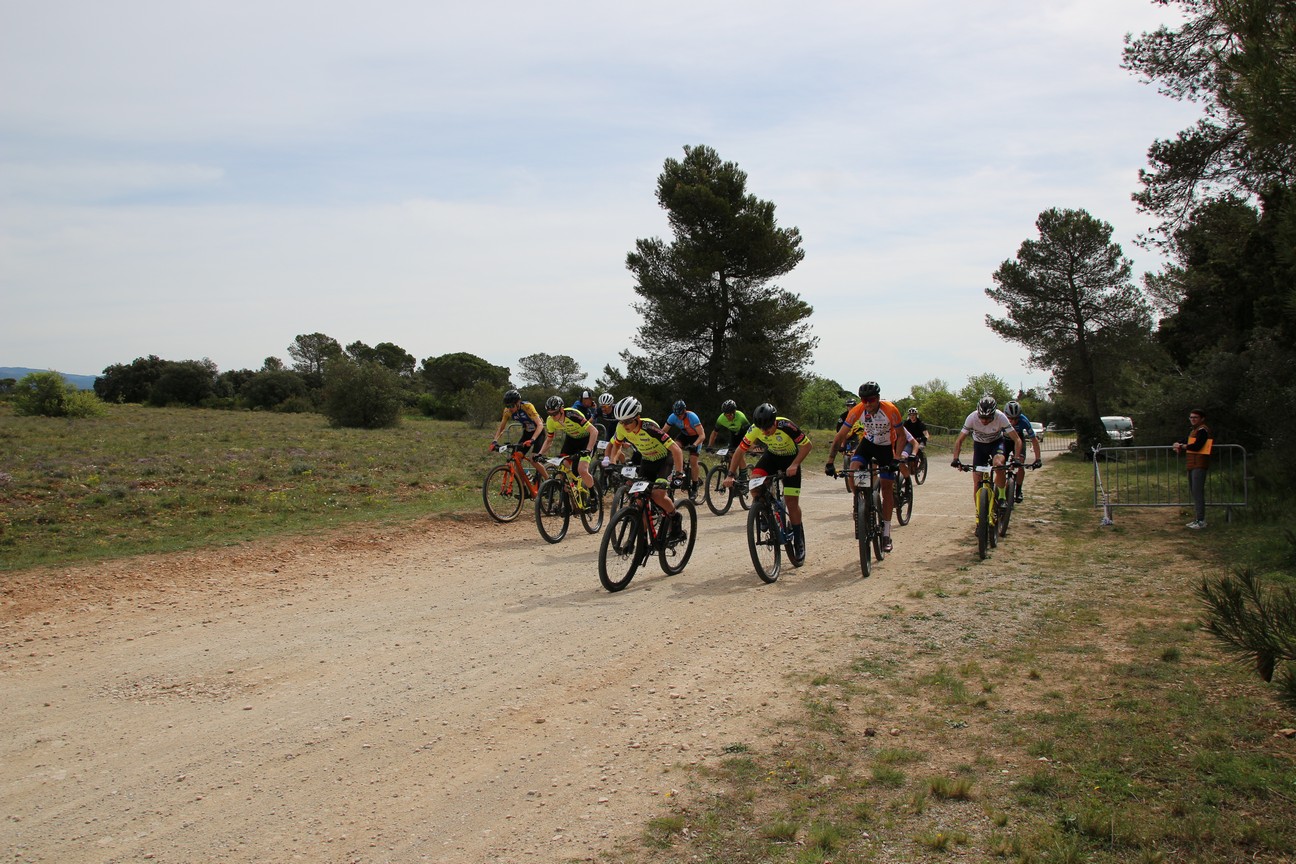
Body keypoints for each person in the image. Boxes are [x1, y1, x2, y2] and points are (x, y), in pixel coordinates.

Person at [825, 382, 908, 552]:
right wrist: (830, 461)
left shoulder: (890, 410)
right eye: (864, 400)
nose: (868, 404)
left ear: (878, 398)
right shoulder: (858, 410)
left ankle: (886, 532)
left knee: (886, 487)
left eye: (871, 400)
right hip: (868, 444)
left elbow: (901, 436)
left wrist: (896, 458)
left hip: (886, 447)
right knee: (853, 469)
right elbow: (840, 435)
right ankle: (859, 503)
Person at [723, 402, 812, 560]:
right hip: (771, 457)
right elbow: (739, 451)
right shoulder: (754, 429)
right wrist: (730, 474)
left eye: (767, 429)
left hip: (790, 460)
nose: (764, 432)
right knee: (755, 484)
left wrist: (795, 464)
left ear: (774, 422)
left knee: (791, 503)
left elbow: (807, 446)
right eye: (761, 429)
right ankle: (765, 512)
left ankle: (798, 540)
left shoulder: (786, 425)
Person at [605, 396, 689, 540]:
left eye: (627, 421)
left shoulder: (649, 427)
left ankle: (675, 517)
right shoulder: (621, 427)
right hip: (647, 461)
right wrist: (612, 463)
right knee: (639, 500)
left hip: (664, 461)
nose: (624, 425)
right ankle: (642, 541)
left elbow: (676, 449)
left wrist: (679, 474)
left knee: (657, 495)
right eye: (621, 421)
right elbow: (617, 445)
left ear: (637, 417)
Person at [950, 395, 1023, 503]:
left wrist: (1016, 458)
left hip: (996, 444)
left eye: (988, 418)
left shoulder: (1001, 417)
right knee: (977, 482)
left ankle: (1002, 496)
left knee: (998, 465)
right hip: (979, 446)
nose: (984, 421)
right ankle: (979, 511)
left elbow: (1017, 439)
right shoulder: (972, 417)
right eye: (981, 417)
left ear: (994, 414)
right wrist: (956, 459)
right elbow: (959, 440)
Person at [533, 395, 599, 511]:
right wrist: (540, 454)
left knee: (582, 470)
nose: (553, 416)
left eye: (555, 413)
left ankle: (594, 496)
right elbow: (549, 440)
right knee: (563, 468)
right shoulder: (550, 421)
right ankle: (568, 502)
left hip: (586, 440)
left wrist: (588, 450)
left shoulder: (572, 415)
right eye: (550, 414)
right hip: (571, 441)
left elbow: (594, 431)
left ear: (562, 410)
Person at [490, 389, 550, 481]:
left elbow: (540, 424)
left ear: (518, 402)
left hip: (538, 433)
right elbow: (501, 427)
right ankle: (523, 486)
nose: (510, 408)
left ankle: (548, 481)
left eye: (511, 405)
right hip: (527, 433)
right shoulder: (507, 411)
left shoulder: (527, 406)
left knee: (533, 459)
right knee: (517, 459)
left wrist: (533, 439)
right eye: (507, 406)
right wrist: (494, 441)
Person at [1171, 408, 1212, 529]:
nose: (1193, 419)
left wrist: (1182, 446)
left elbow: (1197, 445)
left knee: (1198, 492)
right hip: (1192, 464)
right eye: (1191, 417)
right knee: (1195, 492)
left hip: (1199, 464)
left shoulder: (1203, 430)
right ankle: (1198, 519)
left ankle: (1201, 520)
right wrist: (1177, 443)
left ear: (1202, 419)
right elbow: (1186, 440)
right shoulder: (1194, 430)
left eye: (1195, 417)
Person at [1002, 401, 1043, 503]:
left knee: (1020, 463)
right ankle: (1000, 490)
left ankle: (1018, 490)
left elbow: (1034, 440)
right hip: (1005, 441)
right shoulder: (1000, 419)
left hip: (1019, 440)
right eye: (1010, 419)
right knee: (1000, 463)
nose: (1013, 421)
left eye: (1016, 419)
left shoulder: (1024, 420)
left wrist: (1038, 459)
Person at [665, 400, 707, 493]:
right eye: (677, 415)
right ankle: (682, 467)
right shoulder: (672, 417)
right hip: (684, 435)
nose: (678, 417)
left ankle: (695, 486)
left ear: (684, 411)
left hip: (696, 437)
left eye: (680, 415)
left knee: (693, 461)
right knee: (674, 448)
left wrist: (694, 445)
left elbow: (702, 435)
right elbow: (663, 431)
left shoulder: (692, 417)